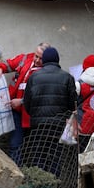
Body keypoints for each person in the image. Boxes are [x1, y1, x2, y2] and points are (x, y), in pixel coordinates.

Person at [23, 47, 77, 175]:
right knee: (55, 155)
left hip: (38, 125)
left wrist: (35, 116)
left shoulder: (34, 77)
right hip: (57, 124)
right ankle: (54, 185)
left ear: (44, 60)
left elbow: (27, 102)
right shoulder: (67, 77)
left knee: (38, 155)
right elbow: (72, 103)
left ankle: (39, 184)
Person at [0, 42, 51, 165]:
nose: (37, 60)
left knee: (35, 148)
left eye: (41, 58)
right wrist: (0, 68)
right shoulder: (25, 59)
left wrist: (21, 101)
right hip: (16, 113)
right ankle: (16, 173)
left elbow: (42, 95)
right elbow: (7, 64)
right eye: (36, 56)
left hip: (33, 115)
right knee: (15, 144)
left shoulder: (48, 71)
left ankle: (34, 175)